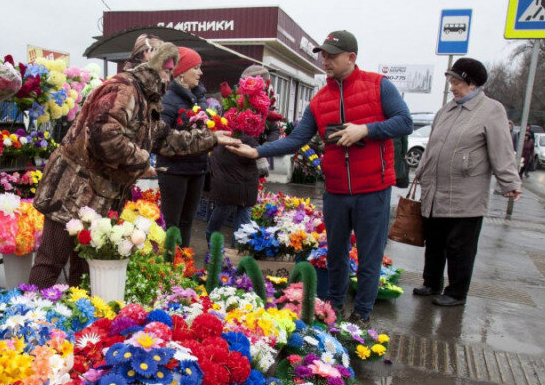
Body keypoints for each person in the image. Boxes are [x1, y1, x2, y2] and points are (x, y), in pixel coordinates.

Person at [225, 30, 413, 326]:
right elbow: (297, 138)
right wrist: (257, 151)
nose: (325, 60)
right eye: (323, 54)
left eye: (331, 55)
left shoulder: (379, 86)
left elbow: (404, 121)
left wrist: (365, 130)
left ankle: (362, 313)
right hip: (337, 190)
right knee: (335, 254)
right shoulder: (320, 100)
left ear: (351, 57)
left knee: (369, 256)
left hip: (373, 188)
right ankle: (335, 308)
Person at [29, 38, 238, 288]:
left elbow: (166, 138)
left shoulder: (146, 99)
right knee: (51, 262)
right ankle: (29, 317)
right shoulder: (124, 88)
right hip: (71, 190)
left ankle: (74, 322)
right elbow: (103, 135)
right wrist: (140, 161)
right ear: (150, 63)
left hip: (97, 196)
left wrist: (210, 139)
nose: (170, 75)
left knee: (85, 268)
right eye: (168, 68)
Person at [413, 57, 521, 307]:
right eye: (451, 81)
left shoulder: (491, 110)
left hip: (466, 193)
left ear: (473, 84)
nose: (452, 87)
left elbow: (501, 149)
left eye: (457, 82)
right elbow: (433, 146)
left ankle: (456, 293)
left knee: (459, 246)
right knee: (435, 241)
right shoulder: (447, 110)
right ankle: (432, 282)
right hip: (436, 191)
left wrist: (510, 182)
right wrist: (420, 171)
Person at [158, 47, 237, 247]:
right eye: (196, 67)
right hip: (174, 172)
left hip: (198, 169)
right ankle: (168, 267)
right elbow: (161, 140)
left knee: (188, 222)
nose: (201, 73)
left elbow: (206, 131)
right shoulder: (168, 102)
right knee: (173, 224)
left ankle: (183, 264)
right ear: (182, 72)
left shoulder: (200, 99)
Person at [205, 65, 279, 246]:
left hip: (250, 163)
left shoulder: (264, 104)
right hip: (229, 160)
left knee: (245, 206)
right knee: (225, 205)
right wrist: (258, 152)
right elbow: (233, 132)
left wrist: (265, 148)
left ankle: (237, 249)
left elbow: (274, 130)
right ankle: (212, 238)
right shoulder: (235, 103)